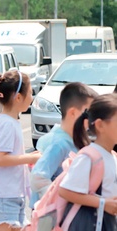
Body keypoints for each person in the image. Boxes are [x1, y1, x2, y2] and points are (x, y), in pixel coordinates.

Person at [0, 70, 41, 231]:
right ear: (18, 97)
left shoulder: (11, 121)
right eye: (30, 92)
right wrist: (30, 158)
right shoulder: (7, 123)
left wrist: (29, 157)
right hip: (3, 197)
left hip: (12, 195)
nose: (32, 97)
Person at [30, 82, 98, 208]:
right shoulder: (59, 143)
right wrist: (61, 200)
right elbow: (38, 177)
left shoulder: (73, 139)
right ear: (72, 113)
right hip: (52, 216)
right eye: (88, 113)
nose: (92, 119)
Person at [59, 93, 117, 230]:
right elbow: (65, 191)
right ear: (100, 125)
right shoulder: (89, 157)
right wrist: (103, 203)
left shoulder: (112, 155)